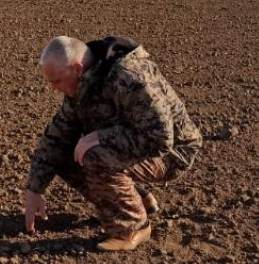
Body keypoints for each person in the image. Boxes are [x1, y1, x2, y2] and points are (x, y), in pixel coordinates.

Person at [24, 35, 202, 251]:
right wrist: (35, 189)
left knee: (96, 156)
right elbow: (58, 136)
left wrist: (99, 137)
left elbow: (161, 138)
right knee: (65, 154)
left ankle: (132, 227)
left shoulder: (130, 78)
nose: (53, 88)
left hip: (172, 151)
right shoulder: (82, 83)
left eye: (56, 81)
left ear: (77, 68)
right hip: (136, 144)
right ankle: (136, 196)